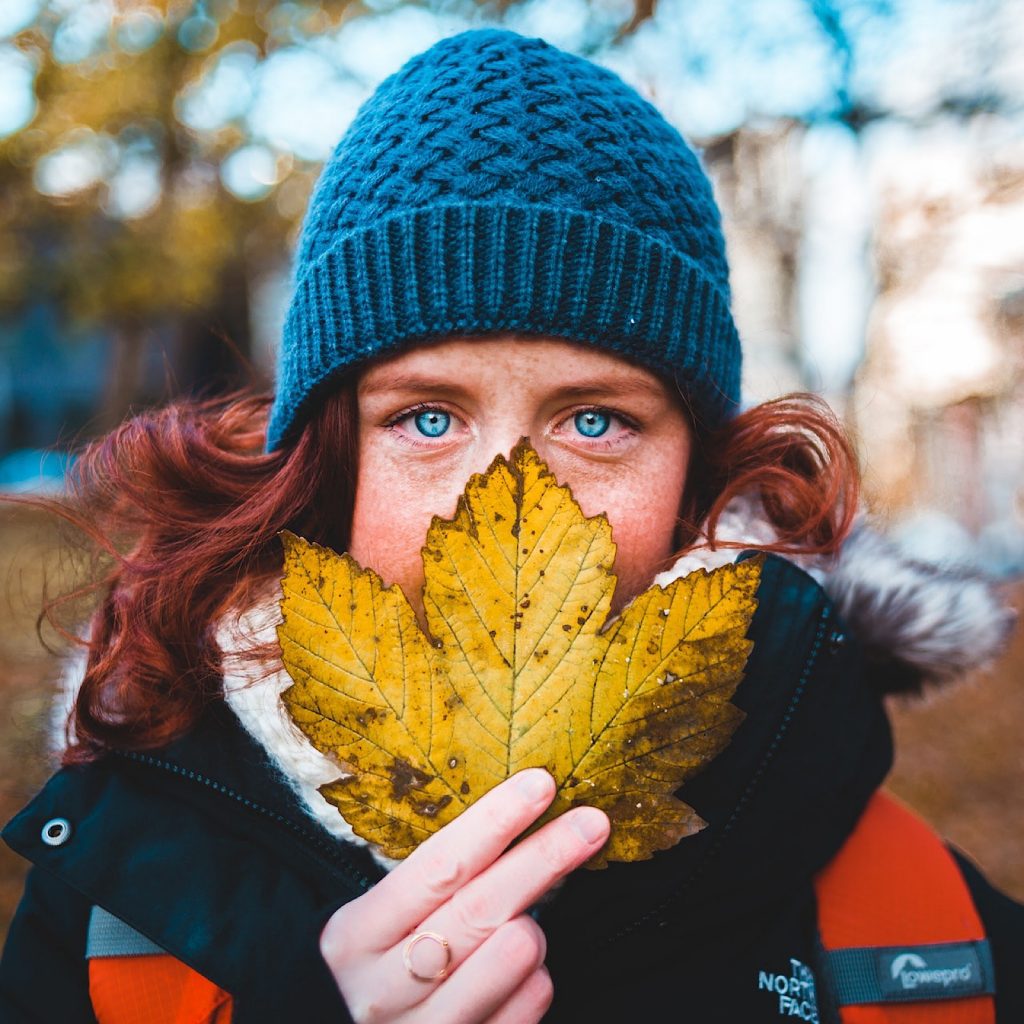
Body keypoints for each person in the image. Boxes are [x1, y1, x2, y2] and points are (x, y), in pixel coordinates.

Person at [1, 25, 1021, 1024]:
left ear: (698, 477)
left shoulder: (919, 941)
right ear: (326, 465)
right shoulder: (118, 921)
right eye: (427, 417)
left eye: (594, 420)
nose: (506, 503)